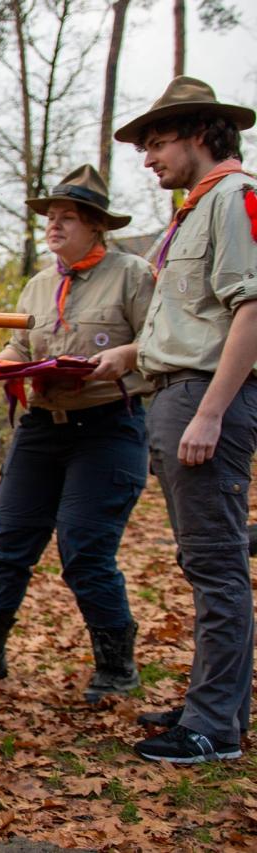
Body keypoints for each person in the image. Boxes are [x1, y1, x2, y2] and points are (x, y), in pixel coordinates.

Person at [0, 165, 154, 704]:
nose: (53, 226)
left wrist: (123, 355)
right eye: (50, 217)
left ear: (96, 225)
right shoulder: (38, 284)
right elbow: (21, 350)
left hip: (108, 427)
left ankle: (116, 666)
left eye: (67, 218)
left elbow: (161, 345)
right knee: (10, 543)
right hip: (40, 427)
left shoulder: (133, 275)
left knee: (84, 547)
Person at [112, 77, 257, 764]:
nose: (149, 159)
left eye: (159, 142)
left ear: (202, 135)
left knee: (218, 564)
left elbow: (252, 311)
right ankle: (211, 698)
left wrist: (210, 411)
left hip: (206, 401)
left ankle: (215, 726)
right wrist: (124, 354)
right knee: (201, 561)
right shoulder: (190, 214)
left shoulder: (234, 198)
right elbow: (191, 322)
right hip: (174, 392)